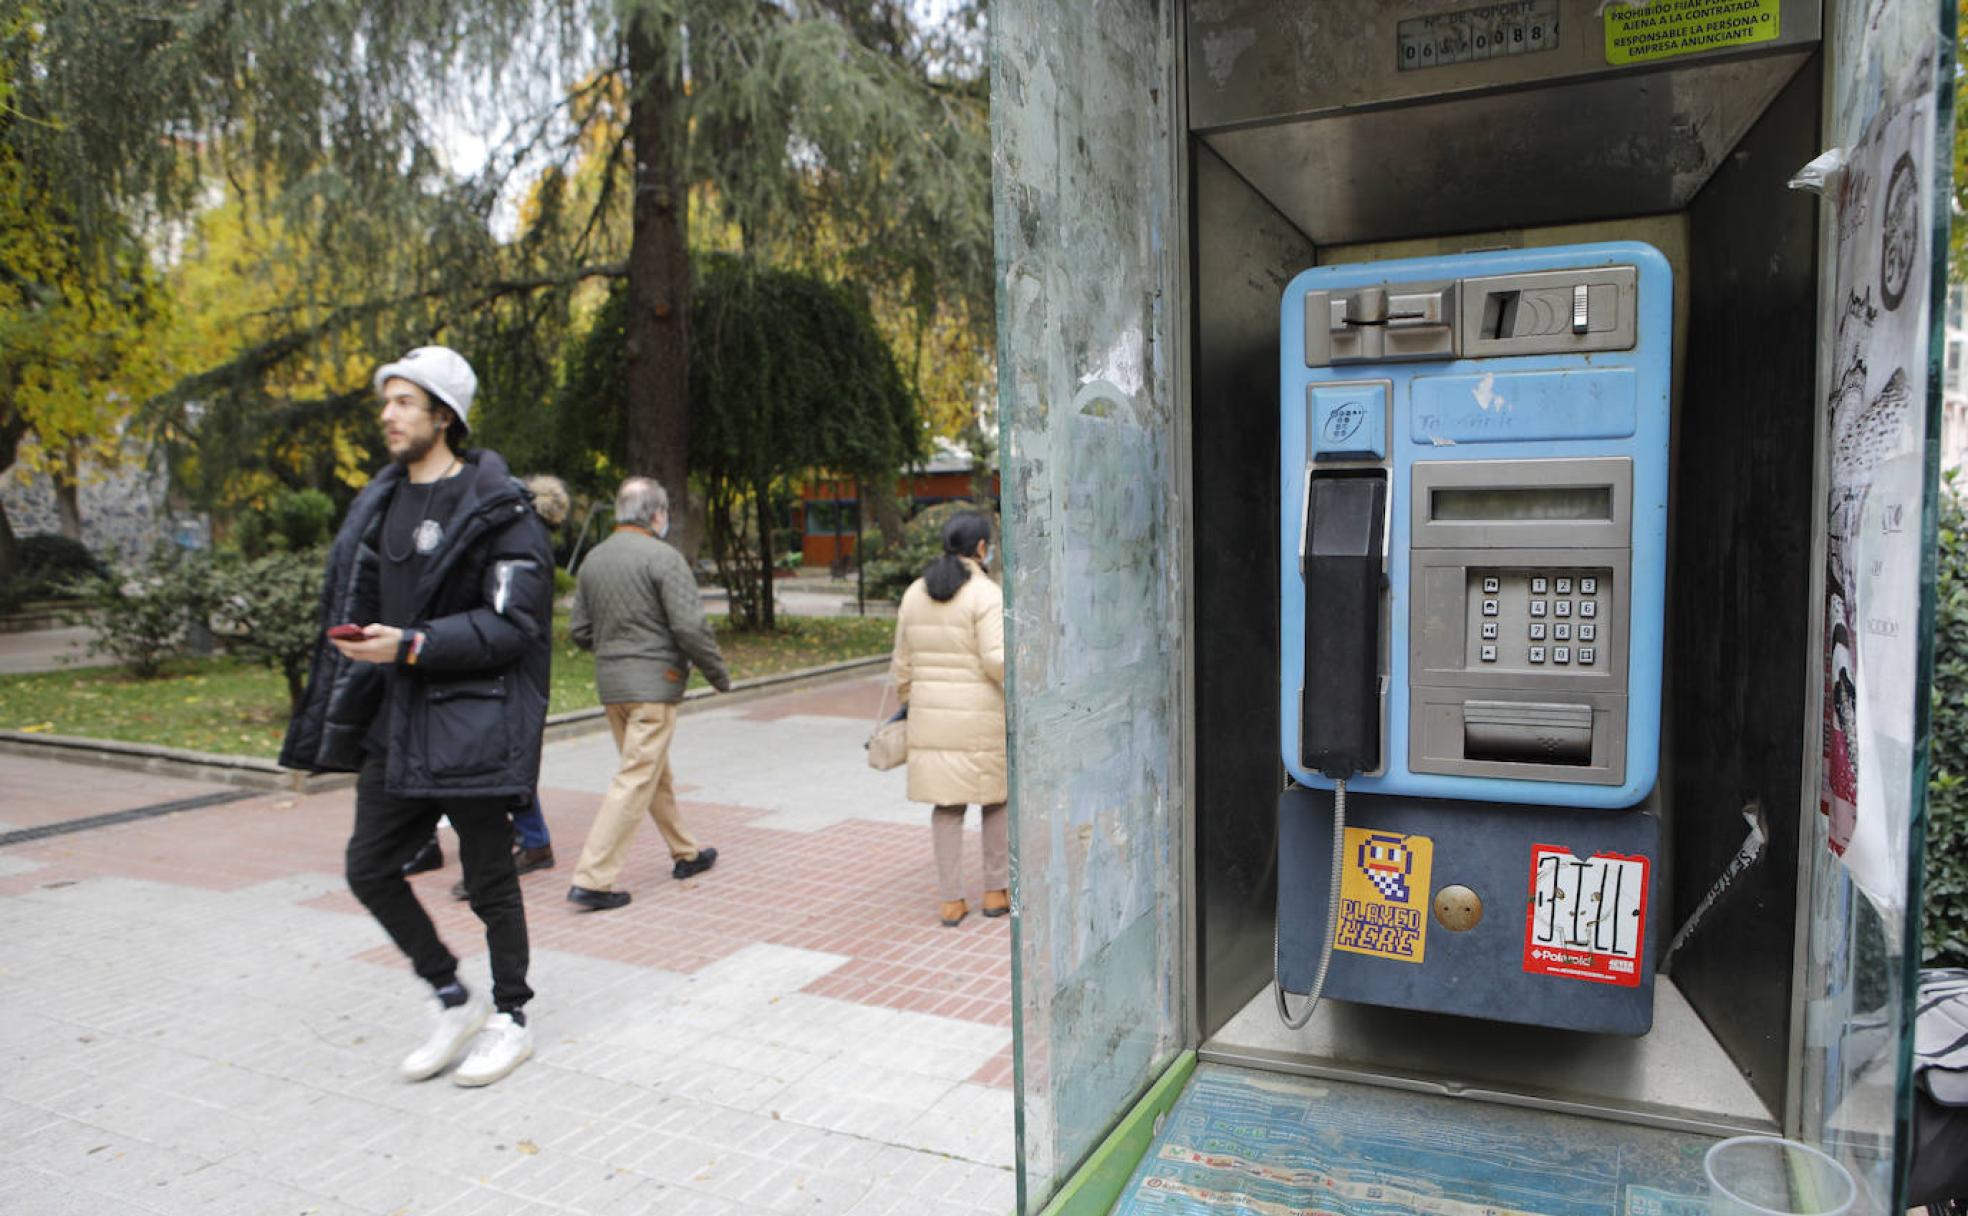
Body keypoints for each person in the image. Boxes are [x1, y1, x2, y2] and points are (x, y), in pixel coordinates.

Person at [281, 345, 553, 1088]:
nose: (389, 415)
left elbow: (513, 627)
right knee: (369, 867)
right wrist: (364, 643)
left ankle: (511, 1018)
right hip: (395, 720)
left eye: (405, 401)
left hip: (471, 720)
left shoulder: (499, 507)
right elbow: (360, 596)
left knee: (492, 881)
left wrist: (414, 644)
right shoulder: (378, 502)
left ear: (445, 414)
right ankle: (448, 992)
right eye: (387, 402)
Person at [564, 476, 730, 911]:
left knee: (652, 771)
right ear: (657, 515)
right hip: (654, 687)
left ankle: (686, 852)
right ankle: (592, 879)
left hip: (612, 688)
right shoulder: (664, 558)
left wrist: (616, 649)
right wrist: (719, 675)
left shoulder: (593, 560)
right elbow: (690, 626)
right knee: (636, 778)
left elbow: (580, 631)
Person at [445, 474, 571, 901]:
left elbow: (509, 617)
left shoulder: (519, 538)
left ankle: (501, 860)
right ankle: (529, 842)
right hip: (511, 670)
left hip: (507, 670)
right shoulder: (525, 534)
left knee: (497, 763)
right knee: (509, 757)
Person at [890, 511, 1007, 927]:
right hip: (981, 718)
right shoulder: (986, 595)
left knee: (947, 806)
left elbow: (902, 664)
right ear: (980, 548)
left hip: (931, 716)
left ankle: (951, 901)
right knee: (995, 800)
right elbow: (997, 660)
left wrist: (914, 703)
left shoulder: (915, 592)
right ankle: (995, 891)